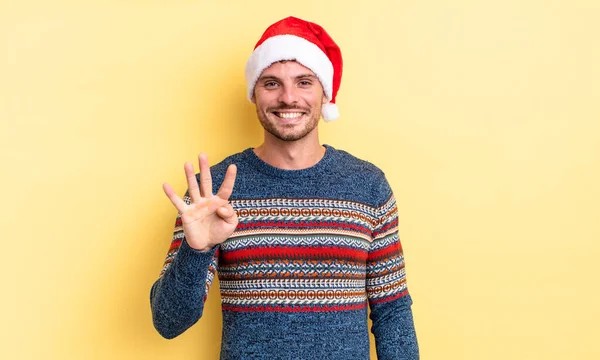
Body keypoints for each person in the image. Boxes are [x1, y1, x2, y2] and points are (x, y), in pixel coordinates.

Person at [150, 16, 419, 360]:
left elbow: (393, 312)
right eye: (272, 83)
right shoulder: (212, 192)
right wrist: (195, 250)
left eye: (304, 82)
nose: (288, 98)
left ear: (325, 92)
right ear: (254, 94)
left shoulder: (368, 186)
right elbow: (168, 322)